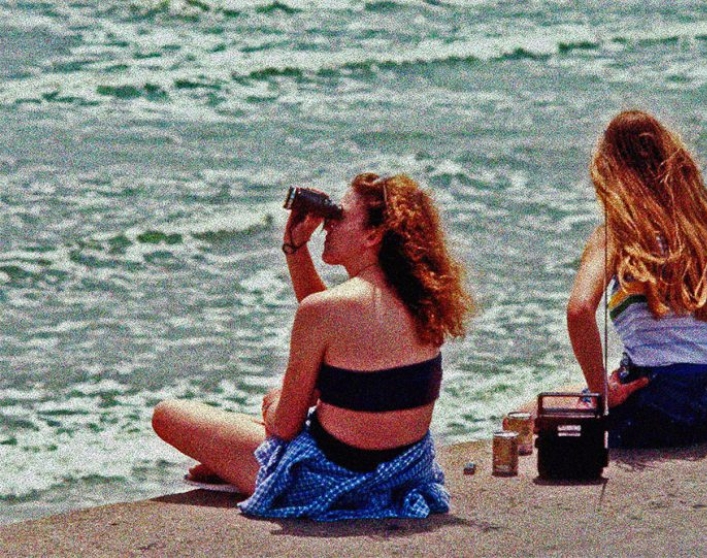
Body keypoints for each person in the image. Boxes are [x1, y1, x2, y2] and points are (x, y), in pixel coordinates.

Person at [152, 173, 473, 520]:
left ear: (373, 234)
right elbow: (334, 327)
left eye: (339, 216)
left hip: (326, 483)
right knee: (319, 401)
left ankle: (234, 463)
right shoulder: (424, 303)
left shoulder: (325, 311)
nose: (327, 226)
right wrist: (296, 248)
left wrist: (274, 404)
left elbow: (284, 427)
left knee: (167, 414)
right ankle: (229, 461)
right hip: (402, 476)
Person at [567, 110, 707, 448]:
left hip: (648, 414)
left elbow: (579, 311)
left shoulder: (617, 235)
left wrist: (601, 394)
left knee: (536, 409)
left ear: (610, 172)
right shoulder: (705, 235)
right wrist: (704, 398)